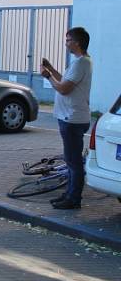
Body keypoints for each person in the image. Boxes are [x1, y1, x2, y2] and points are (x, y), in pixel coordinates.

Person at [41, 26, 92, 209]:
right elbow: (64, 80)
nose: (66, 43)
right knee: (71, 160)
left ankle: (74, 198)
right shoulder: (79, 62)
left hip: (72, 118)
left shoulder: (81, 63)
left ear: (77, 43)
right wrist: (52, 69)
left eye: (68, 40)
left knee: (73, 161)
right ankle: (69, 193)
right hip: (69, 117)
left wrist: (48, 77)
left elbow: (63, 88)